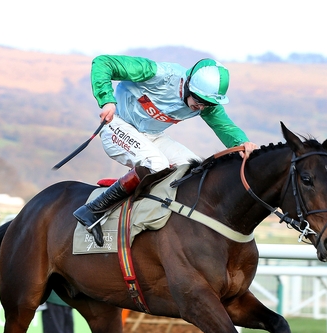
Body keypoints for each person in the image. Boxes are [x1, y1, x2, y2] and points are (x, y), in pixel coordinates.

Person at [73, 56, 258, 246]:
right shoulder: (158, 74)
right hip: (117, 124)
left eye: (208, 104)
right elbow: (103, 63)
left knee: (194, 169)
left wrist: (243, 144)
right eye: (199, 100)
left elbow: (225, 127)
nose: (201, 107)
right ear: (188, 84)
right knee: (157, 163)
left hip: (151, 135)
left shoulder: (205, 105)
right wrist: (106, 100)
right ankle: (93, 210)